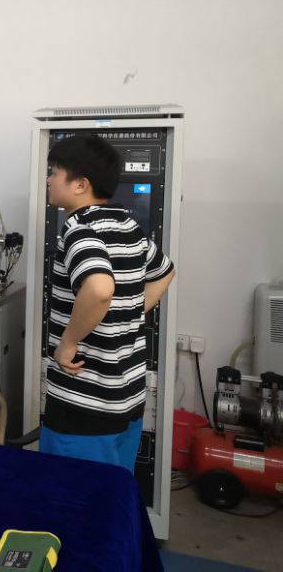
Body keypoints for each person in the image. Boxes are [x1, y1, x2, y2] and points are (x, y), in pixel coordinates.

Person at [42, 134, 175, 472]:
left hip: (84, 402)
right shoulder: (128, 226)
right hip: (127, 398)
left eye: (54, 172)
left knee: (72, 496)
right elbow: (165, 272)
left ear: (80, 185)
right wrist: (129, 311)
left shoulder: (79, 230)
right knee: (112, 491)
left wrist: (68, 342)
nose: (49, 180)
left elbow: (99, 289)